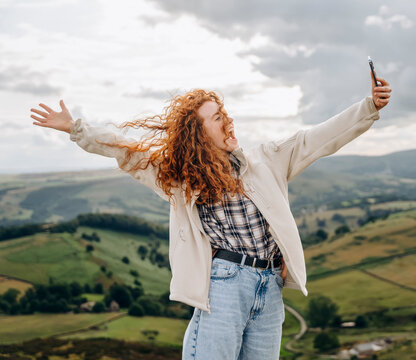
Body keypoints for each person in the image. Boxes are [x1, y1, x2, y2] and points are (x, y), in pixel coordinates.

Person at [30, 70, 391, 359]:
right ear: (199, 134)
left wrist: (368, 106)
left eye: (225, 114)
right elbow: (129, 151)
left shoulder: (265, 159)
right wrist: (77, 129)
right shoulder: (177, 178)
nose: (228, 121)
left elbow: (316, 139)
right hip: (225, 283)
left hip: (270, 288)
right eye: (218, 118)